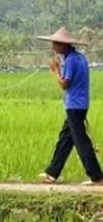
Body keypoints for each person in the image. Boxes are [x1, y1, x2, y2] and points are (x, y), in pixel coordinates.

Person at [37, 27, 103, 185]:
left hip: (74, 106)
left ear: (63, 45)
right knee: (65, 140)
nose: (53, 47)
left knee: (81, 142)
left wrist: (55, 71)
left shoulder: (71, 60)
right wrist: (60, 69)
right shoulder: (79, 58)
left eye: (55, 44)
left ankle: (97, 177)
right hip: (79, 105)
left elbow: (65, 84)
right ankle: (52, 173)